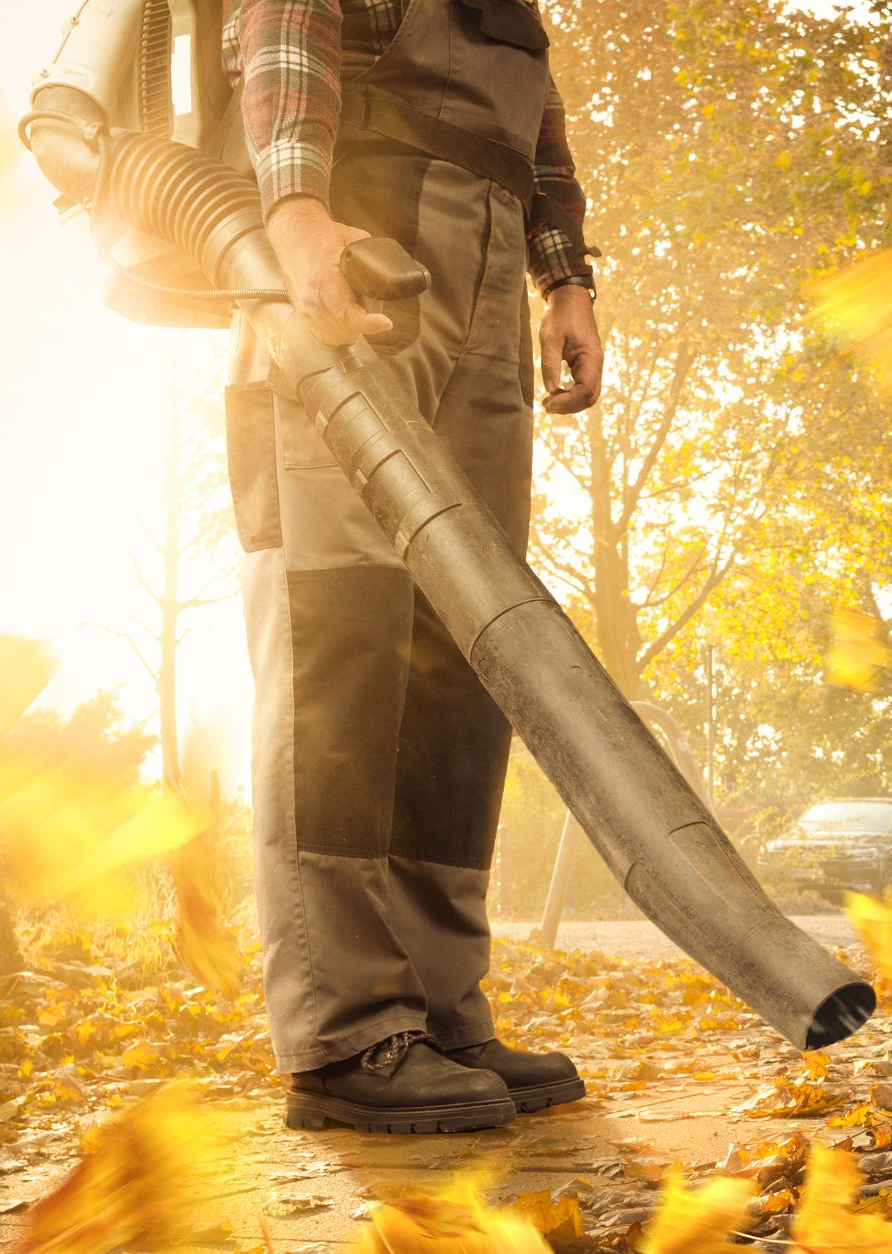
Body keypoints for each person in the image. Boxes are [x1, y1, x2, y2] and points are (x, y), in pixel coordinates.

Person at [221, 0, 603, 1134]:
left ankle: (438, 1004)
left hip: (485, 256)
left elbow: (540, 123)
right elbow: (285, 19)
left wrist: (564, 275)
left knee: (464, 652)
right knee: (341, 627)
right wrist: (293, 214)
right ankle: (345, 1031)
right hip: (356, 240)